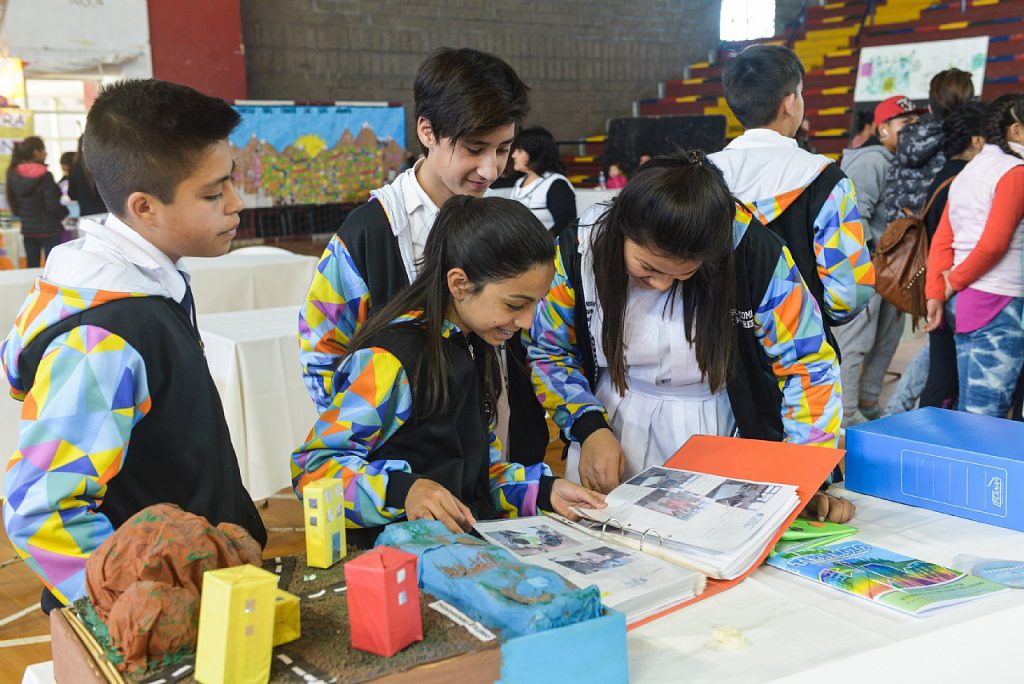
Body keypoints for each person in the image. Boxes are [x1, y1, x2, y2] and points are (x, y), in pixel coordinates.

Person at [0, 79, 267, 613]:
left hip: (192, 581)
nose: (237, 204)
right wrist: (133, 600)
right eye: (214, 194)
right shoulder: (105, 336)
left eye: (230, 183)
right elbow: (40, 506)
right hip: (149, 616)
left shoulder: (150, 282)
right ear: (144, 207)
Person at [525, 153, 852, 522]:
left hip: (718, 428)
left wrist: (801, 475)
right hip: (612, 425)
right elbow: (549, 351)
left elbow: (810, 366)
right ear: (622, 230)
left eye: (683, 275)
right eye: (647, 269)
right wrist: (588, 427)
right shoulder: (578, 249)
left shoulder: (754, 254)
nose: (662, 284)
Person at [292, 196, 605, 543]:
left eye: (536, 303)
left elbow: (475, 475)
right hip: (396, 562)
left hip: (462, 549)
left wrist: (544, 491)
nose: (528, 321)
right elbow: (314, 470)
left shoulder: (471, 344)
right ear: (459, 284)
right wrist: (403, 491)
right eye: (515, 304)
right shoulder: (390, 359)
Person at [298, 47, 548, 464]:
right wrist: (380, 459)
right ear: (428, 132)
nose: (490, 170)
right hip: (405, 469)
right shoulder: (371, 233)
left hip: (491, 447)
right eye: (474, 148)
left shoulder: (500, 219)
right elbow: (323, 353)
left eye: (504, 149)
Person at [709, 45, 874, 357]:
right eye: (800, 92)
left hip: (717, 351)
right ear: (789, 103)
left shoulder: (703, 174)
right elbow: (850, 292)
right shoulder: (825, 179)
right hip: (800, 354)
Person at [924, 93, 1024, 417]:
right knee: (986, 414)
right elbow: (994, 245)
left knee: (969, 410)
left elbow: (942, 240)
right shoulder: (1015, 171)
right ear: (1017, 131)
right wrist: (952, 281)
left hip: (963, 303)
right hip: (999, 302)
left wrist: (937, 294)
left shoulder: (970, 169)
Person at [885, 102, 986, 415]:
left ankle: (915, 429)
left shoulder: (943, 175)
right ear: (977, 141)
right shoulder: (966, 182)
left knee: (941, 375)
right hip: (953, 290)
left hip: (938, 287)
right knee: (947, 382)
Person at [834, 95, 925, 427]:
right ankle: (845, 413)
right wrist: (873, 260)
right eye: (905, 124)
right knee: (857, 340)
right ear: (883, 128)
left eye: (917, 124)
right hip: (867, 266)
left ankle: (869, 401)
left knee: (886, 337)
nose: (914, 130)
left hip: (893, 269)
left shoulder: (900, 161)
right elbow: (853, 217)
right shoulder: (871, 160)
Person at [883, 68, 975, 223]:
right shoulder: (965, 144)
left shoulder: (907, 139)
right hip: (945, 239)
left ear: (930, 107)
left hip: (905, 242)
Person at [5, 136, 68, 267]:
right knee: (53, 269)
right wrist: (64, 212)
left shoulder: (13, 174)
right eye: (43, 149)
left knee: (31, 268)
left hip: (28, 230)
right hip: (50, 229)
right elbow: (52, 206)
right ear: (36, 152)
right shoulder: (45, 175)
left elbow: (14, 203)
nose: (46, 153)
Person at [509, 125, 576, 235]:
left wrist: (541, 245)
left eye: (520, 151)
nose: (513, 155)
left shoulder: (556, 184)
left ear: (534, 153)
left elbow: (565, 224)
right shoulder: (519, 182)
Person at [68, 135, 108, 216]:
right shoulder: (104, 165)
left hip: (86, 214)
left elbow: (72, 195)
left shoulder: (75, 168)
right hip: (105, 213)